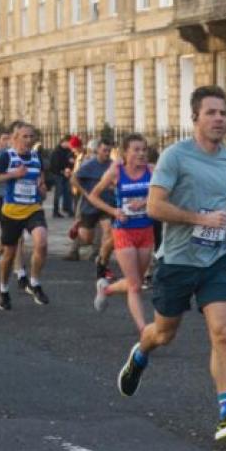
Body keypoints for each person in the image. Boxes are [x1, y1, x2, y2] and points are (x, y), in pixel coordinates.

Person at [115, 85, 226, 442]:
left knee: (223, 331)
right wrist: (198, 219)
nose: (219, 119)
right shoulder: (175, 156)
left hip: (216, 259)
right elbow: (154, 207)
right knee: (163, 333)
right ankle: (140, 353)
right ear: (195, 118)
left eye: (223, 112)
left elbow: (220, 204)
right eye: (211, 112)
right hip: (178, 260)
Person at [90, 134, 154, 333]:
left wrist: (144, 202)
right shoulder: (116, 172)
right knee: (135, 286)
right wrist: (113, 211)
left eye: (144, 149)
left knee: (137, 281)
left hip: (146, 230)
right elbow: (93, 196)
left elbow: (165, 193)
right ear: (125, 152)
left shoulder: (152, 171)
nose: (141, 153)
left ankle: (106, 289)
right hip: (123, 231)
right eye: (136, 149)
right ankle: (143, 330)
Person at [0, 122, 50, 310]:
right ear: (15, 138)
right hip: (12, 211)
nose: (29, 140)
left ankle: (35, 283)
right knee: (9, 254)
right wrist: (13, 174)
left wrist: (42, 189)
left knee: (42, 241)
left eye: (31, 136)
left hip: (33, 208)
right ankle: (3, 289)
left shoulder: (37, 158)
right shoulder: (6, 156)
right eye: (25, 136)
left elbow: (43, 186)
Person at [69, 139, 115, 271]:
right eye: (105, 150)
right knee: (87, 238)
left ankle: (101, 260)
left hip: (107, 204)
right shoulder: (89, 165)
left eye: (109, 151)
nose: (107, 153)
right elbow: (73, 179)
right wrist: (84, 193)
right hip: (90, 205)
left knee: (108, 230)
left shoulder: (112, 165)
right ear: (98, 151)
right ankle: (79, 233)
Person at [49, 135, 76, 218]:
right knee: (58, 193)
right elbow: (55, 165)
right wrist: (63, 170)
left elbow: (71, 161)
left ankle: (68, 209)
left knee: (68, 192)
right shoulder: (56, 151)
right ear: (64, 142)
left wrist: (71, 164)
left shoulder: (68, 150)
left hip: (66, 174)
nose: (70, 145)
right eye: (69, 143)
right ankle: (55, 211)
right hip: (58, 175)